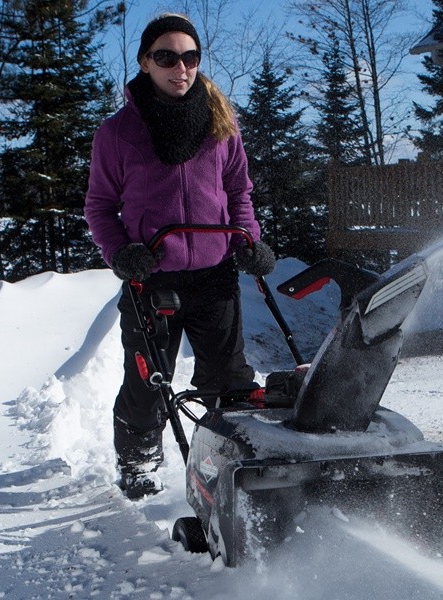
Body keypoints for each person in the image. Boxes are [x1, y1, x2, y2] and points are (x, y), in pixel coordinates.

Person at [84, 13, 275, 500]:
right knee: (148, 384)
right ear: (145, 62)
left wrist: (248, 240)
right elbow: (101, 205)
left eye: (190, 57)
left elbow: (239, 192)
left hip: (214, 276)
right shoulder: (119, 132)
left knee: (229, 380)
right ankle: (139, 464)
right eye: (166, 57)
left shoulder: (220, 123)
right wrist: (121, 253)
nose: (180, 67)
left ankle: (228, 465)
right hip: (153, 280)